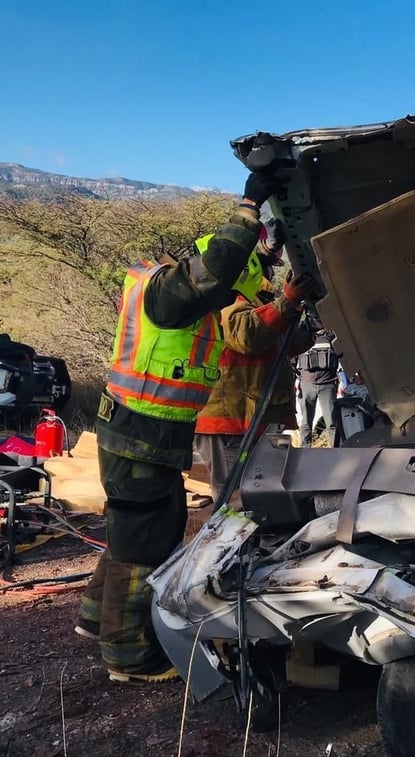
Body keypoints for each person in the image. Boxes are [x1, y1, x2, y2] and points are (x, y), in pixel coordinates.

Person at [75, 169, 285, 683]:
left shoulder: (182, 296)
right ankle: (129, 656)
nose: (243, 294)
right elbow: (220, 269)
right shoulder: (169, 293)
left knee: (135, 529)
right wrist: (249, 206)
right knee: (144, 543)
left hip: (147, 432)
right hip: (140, 431)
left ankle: (93, 619)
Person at [193, 229, 315, 503]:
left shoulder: (256, 300)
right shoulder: (225, 298)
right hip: (231, 422)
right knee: (236, 500)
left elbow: (280, 344)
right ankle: (233, 546)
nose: (271, 273)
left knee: (259, 497)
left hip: (254, 418)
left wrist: (307, 327)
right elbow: (247, 336)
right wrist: (287, 302)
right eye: (267, 265)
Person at [294, 327, 340, 446]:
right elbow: (292, 359)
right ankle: (305, 450)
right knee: (305, 423)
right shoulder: (301, 334)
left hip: (328, 384)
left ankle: (335, 450)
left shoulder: (333, 334)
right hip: (306, 384)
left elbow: (344, 355)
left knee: (332, 423)